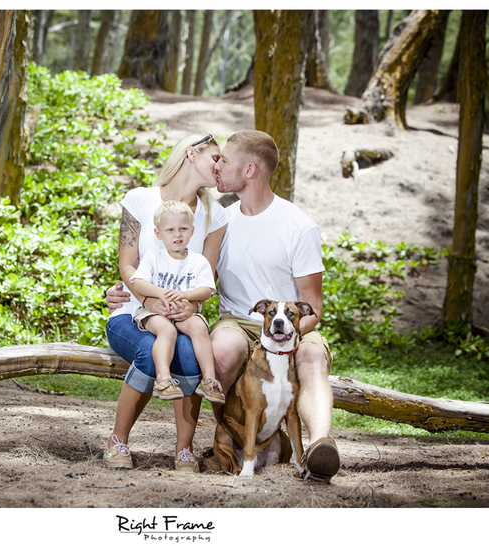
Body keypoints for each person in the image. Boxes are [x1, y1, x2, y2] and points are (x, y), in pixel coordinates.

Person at [108, 130, 339, 481]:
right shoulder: (222, 217)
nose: (218, 168)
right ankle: (224, 440)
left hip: (287, 324)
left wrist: (281, 339)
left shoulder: (293, 225)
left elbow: (312, 306)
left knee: (311, 357)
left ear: (248, 171)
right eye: (215, 158)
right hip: (229, 319)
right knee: (220, 353)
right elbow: (171, 270)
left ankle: (321, 445)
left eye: (224, 161)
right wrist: (133, 290)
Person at [104, 134, 228, 473]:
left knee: (188, 355)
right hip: (134, 312)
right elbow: (127, 265)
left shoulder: (214, 215)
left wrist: (190, 307)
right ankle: (117, 440)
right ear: (191, 153)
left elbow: (207, 277)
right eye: (216, 157)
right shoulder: (140, 199)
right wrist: (148, 299)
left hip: (182, 313)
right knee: (151, 347)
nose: (221, 165)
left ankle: (184, 450)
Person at [128, 200, 226, 405]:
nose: (177, 234)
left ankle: (209, 380)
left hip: (183, 313)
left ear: (192, 231)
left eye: (183, 229)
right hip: (155, 314)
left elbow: (207, 290)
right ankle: (163, 380)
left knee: (199, 326)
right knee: (167, 331)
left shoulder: (198, 261)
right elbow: (138, 282)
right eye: (170, 230)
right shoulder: (154, 257)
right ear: (158, 233)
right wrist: (162, 293)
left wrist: (186, 296)